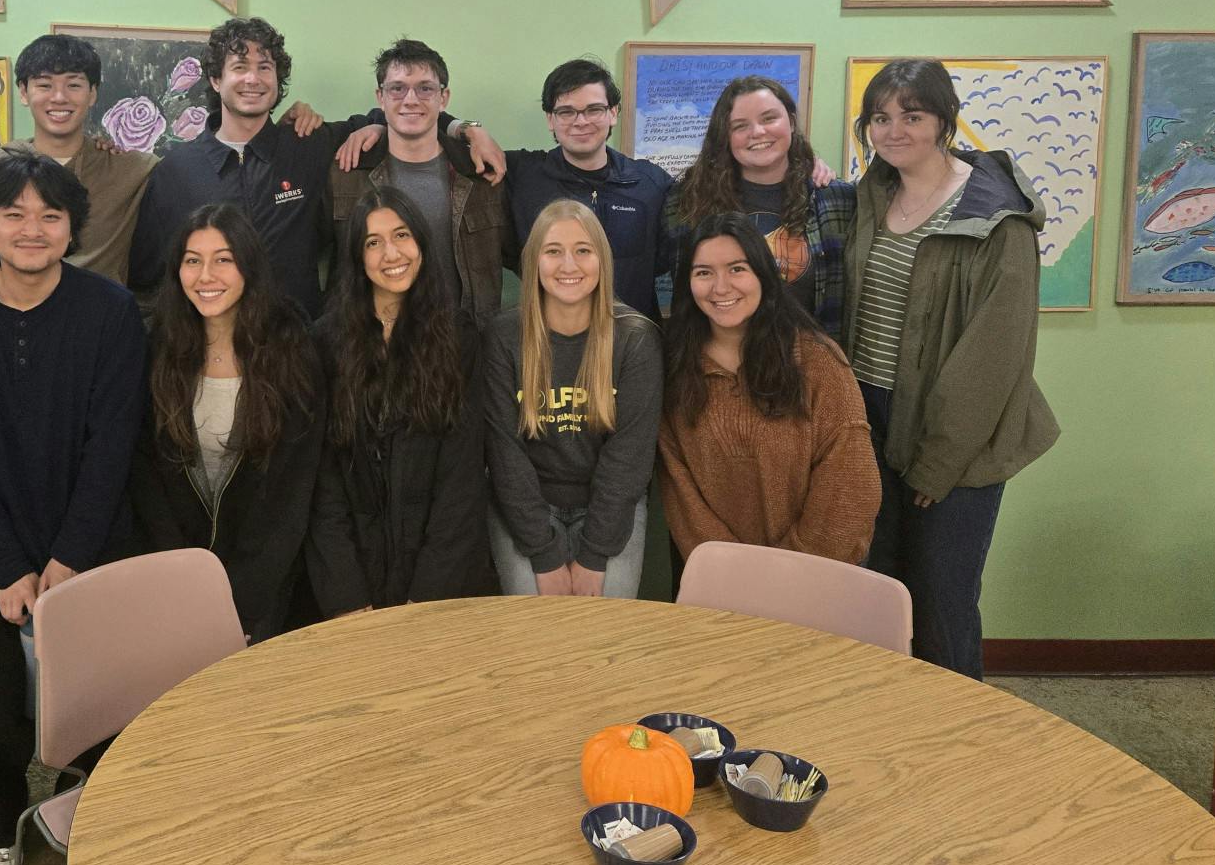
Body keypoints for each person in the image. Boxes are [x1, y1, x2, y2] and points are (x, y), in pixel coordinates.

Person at [0, 150, 146, 865]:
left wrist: (70, 557)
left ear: (72, 227)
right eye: (13, 214)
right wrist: (7, 567)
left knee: (103, 702)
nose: (31, 229)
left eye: (50, 215)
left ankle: (97, 817)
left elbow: (113, 444)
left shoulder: (110, 312)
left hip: (92, 545)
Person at [846, 58, 1060, 679]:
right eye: (880, 118)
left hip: (957, 434)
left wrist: (940, 460)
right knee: (877, 591)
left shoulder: (997, 218)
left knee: (942, 600)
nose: (893, 131)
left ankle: (963, 729)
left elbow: (995, 354)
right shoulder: (872, 195)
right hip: (869, 417)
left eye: (911, 116)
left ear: (945, 121)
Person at [131, 18, 503, 319]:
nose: (253, 79)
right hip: (205, 349)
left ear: (278, 79)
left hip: (297, 350)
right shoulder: (174, 172)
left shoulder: (310, 144)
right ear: (216, 80)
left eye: (265, 67)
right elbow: (147, 283)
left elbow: (401, 115)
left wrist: (465, 128)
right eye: (239, 67)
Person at [343, 58, 669, 319]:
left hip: (634, 340)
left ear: (613, 113)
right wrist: (466, 129)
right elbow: (420, 116)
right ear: (550, 119)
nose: (581, 121)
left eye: (594, 109)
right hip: (545, 344)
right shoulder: (519, 172)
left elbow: (667, 260)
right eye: (566, 111)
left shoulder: (651, 183)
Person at [130, 204, 323, 642]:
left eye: (223, 259)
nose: (206, 276)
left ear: (249, 267)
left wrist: (244, 605)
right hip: (173, 581)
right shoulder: (157, 346)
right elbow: (146, 474)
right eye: (192, 260)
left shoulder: (292, 347)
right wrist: (181, 581)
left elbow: (290, 494)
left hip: (264, 587)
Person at [308, 188, 495, 614]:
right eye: (373, 242)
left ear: (421, 243)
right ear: (356, 257)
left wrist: (426, 597)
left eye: (402, 235)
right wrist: (347, 597)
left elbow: (461, 479)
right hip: (355, 579)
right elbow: (323, 484)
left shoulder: (458, 337)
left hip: (441, 580)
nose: (391, 253)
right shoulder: (325, 343)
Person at [659, 215, 880, 573]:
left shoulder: (817, 362)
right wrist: (733, 572)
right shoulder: (675, 370)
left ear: (763, 273)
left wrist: (784, 575)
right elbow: (679, 490)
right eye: (703, 272)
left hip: (818, 578)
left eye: (737, 269)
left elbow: (851, 485)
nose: (720, 287)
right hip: (719, 580)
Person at [483, 200, 662, 597]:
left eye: (583, 250)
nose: (569, 265)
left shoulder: (635, 338)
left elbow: (628, 462)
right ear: (534, 262)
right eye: (553, 251)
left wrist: (594, 554)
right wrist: (543, 554)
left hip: (608, 507)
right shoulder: (504, 336)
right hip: (527, 506)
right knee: (537, 623)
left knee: (605, 625)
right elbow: (505, 456)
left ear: (603, 260)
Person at [328, 39, 510, 328]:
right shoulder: (346, 174)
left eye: (425, 88)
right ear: (380, 97)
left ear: (444, 98)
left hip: (466, 342)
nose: (411, 99)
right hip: (373, 341)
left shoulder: (482, 174)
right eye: (397, 88)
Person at [664, 76, 857, 347]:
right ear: (725, 136)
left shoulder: (836, 199)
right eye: (740, 126)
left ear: (791, 122)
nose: (757, 132)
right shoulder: (688, 200)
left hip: (810, 362)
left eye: (769, 119)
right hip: (714, 361)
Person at [0, 33, 158, 284]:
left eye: (74, 85)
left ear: (92, 93)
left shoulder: (131, 171)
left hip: (99, 307)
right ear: (23, 92)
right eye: (44, 85)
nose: (59, 97)